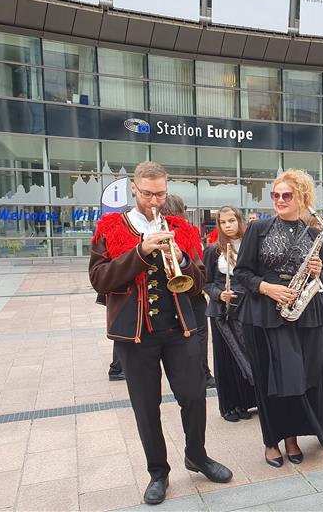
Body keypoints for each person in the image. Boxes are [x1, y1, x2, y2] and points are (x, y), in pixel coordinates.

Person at [89, 161, 232, 505]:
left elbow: (199, 283)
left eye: (161, 193)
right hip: (135, 335)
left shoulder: (181, 228)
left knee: (195, 396)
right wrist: (141, 251)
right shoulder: (111, 227)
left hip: (179, 328)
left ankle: (196, 455)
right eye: (148, 193)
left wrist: (182, 260)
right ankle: (158, 472)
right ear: (134, 190)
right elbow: (99, 279)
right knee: (145, 406)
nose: (155, 200)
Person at [233, 169, 323, 468]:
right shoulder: (258, 229)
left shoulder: (315, 233)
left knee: (300, 380)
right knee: (270, 380)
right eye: (276, 195)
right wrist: (267, 287)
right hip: (265, 313)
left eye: (287, 195)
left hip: (304, 313)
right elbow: (242, 274)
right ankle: (272, 441)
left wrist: (316, 270)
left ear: (302, 197)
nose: (280, 200)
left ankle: (292, 437)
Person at [203, 206, 257, 422]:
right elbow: (206, 283)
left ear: (239, 220)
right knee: (227, 359)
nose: (228, 225)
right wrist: (219, 294)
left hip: (248, 308)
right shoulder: (213, 251)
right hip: (223, 312)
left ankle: (248, 402)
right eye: (223, 222)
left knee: (250, 355)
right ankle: (230, 406)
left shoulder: (250, 246)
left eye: (232, 221)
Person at [162, 194, 215, 389]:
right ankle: (204, 374)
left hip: (165, 294)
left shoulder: (154, 230)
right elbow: (197, 259)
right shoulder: (187, 230)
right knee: (199, 333)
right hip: (189, 290)